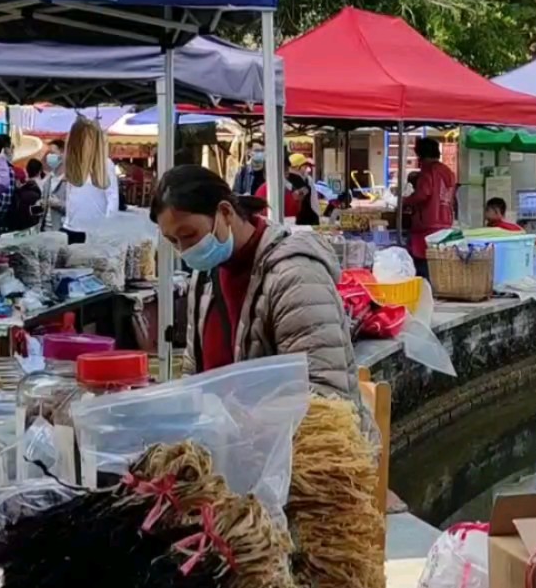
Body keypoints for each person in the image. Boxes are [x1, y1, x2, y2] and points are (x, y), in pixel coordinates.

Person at [151, 165, 359, 399]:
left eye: (189, 235)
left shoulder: (295, 276)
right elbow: (195, 372)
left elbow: (324, 395)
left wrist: (253, 427)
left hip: (297, 433)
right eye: (172, 241)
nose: (184, 250)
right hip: (230, 434)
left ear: (225, 212)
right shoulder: (205, 277)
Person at [403, 137, 456, 278]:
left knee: (422, 261)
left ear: (421, 154)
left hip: (427, 223)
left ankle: (426, 288)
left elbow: (422, 195)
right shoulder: (448, 171)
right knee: (439, 261)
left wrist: (405, 201)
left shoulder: (428, 172)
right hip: (445, 221)